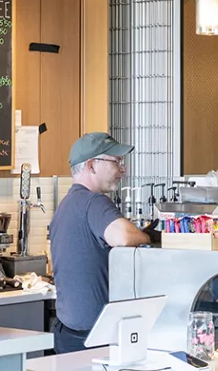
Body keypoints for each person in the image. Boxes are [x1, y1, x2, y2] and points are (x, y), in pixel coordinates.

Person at [48, 132, 150, 354]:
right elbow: (123, 236)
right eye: (116, 161)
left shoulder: (66, 205)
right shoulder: (93, 202)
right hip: (92, 340)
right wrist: (149, 237)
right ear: (92, 165)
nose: (123, 169)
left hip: (68, 334)